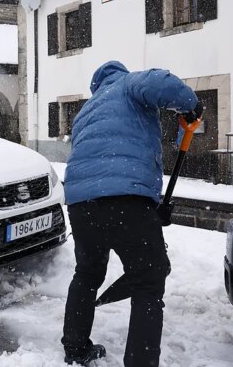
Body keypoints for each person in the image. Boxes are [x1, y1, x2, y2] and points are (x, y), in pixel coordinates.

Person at [61, 61, 201, 366]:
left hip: (81, 203)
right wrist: (190, 105)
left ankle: (75, 348)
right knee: (148, 283)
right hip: (126, 201)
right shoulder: (129, 84)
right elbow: (161, 83)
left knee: (86, 274)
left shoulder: (86, 111)